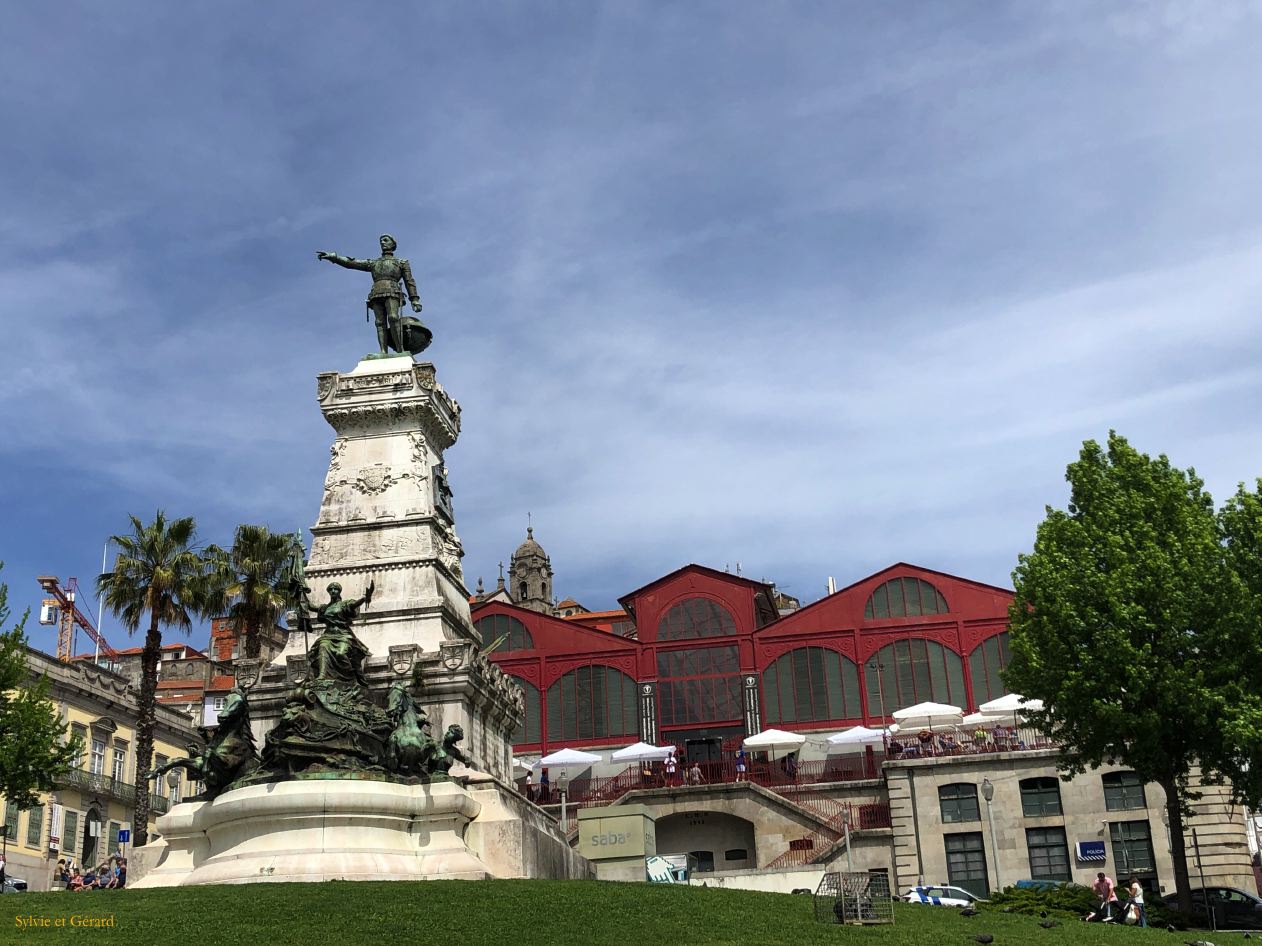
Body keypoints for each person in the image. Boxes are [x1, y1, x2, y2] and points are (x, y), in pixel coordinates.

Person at [317, 235, 426, 356]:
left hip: (393, 291)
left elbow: (409, 281)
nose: (382, 243)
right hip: (376, 293)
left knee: (393, 317)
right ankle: (383, 351)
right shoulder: (374, 263)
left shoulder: (401, 262)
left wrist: (414, 299)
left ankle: (400, 350)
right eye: (381, 241)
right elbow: (352, 263)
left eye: (386, 240)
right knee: (379, 322)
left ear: (393, 244)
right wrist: (335, 257)